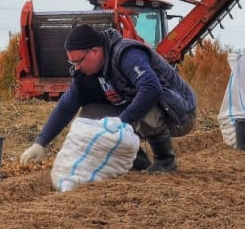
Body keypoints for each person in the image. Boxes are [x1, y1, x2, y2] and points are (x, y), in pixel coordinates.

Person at [20, 24, 197, 173]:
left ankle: (165, 161)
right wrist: (41, 143)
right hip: (147, 109)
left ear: (95, 52)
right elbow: (66, 106)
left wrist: (122, 122)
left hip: (179, 114)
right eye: (72, 63)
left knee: (144, 101)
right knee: (90, 115)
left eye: (78, 61)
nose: (77, 67)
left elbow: (151, 89)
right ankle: (137, 161)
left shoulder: (127, 54)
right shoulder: (85, 74)